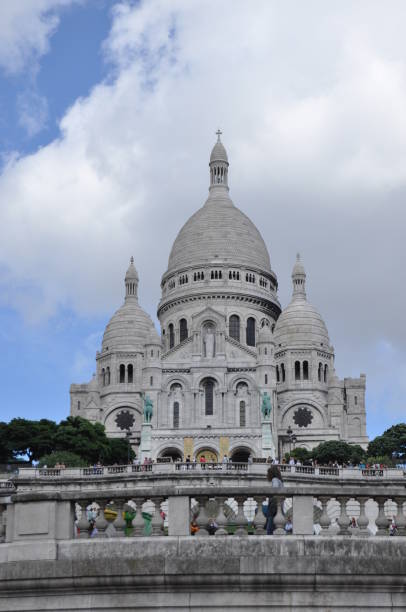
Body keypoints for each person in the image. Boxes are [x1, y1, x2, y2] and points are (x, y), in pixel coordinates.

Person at [266, 465, 283, 535]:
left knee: (269, 529)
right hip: (279, 506)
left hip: (274, 506)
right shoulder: (280, 481)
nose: (267, 475)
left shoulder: (275, 480)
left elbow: (275, 490)